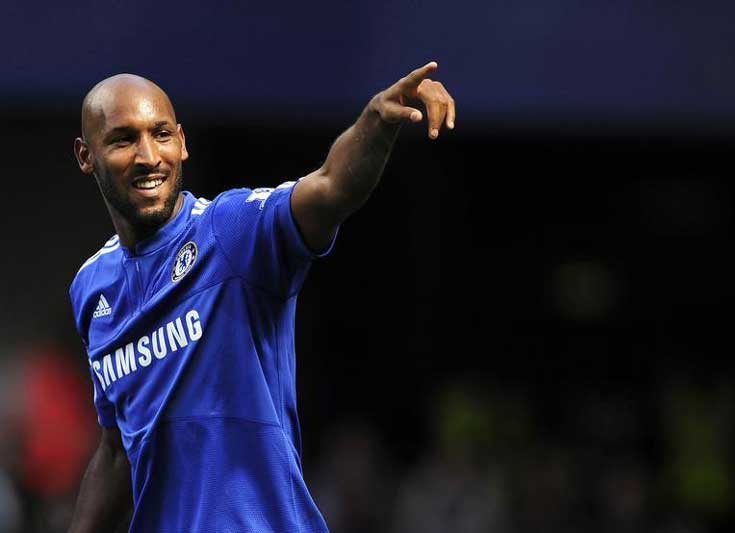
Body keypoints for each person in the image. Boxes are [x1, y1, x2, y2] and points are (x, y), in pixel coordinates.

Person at [66, 61, 455, 532]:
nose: (149, 156)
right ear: (86, 156)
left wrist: (377, 119)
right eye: (124, 139)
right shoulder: (91, 288)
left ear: (183, 143)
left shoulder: (230, 232)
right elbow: (115, 450)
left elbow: (331, 187)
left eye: (161, 134)